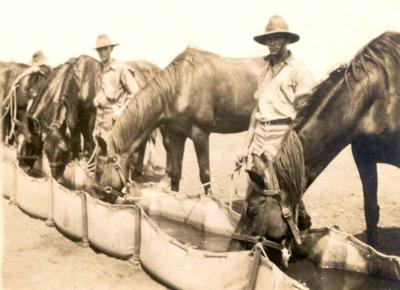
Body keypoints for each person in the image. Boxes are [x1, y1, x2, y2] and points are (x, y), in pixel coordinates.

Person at [238, 15, 315, 229]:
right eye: (269, 40)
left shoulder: (298, 70)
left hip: (281, 133)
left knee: (281, 190)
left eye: (278, 38)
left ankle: (297, 229)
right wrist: (245, 146)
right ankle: (256, 235)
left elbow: (305, 111)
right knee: (255, 189)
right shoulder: (263, 71)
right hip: (260, 134)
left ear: (287, 41)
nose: (273, 44)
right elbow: (256, 111)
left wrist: (288, 143)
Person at [93, 33, 139, 141]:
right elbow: (102, 96)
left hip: (117, 121)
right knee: (100, 154)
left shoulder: (120, 69)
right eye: (99, 50)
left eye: (105, 49)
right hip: (101, 122)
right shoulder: (98, 72)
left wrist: (120, 110)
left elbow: (135, 92)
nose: (102, 52)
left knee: (115, 155)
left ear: (111, 49)